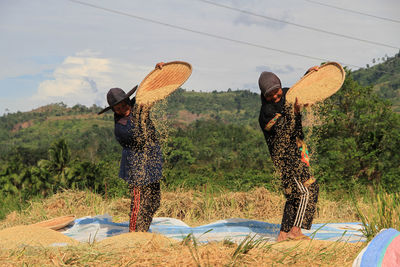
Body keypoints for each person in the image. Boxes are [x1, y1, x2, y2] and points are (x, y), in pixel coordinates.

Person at [98, 63, 164, 232]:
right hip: (135, 163)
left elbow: (151, 89)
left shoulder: (139, 105)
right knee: (139, 200)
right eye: (117, 108)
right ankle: (134, 233)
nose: (122, 109)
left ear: (128, 100)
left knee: (154, 200)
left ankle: (143, 230)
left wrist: (158, 71)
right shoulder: (119, 122)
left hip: (151, 158)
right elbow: (132, 138)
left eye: (124, 105)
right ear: (113, 110)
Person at [258, 67, 320, 242]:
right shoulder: (266, 114)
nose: (276, 97)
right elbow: (283, 132)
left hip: (298, 152)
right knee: (307, 190)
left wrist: (309, 75)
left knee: (294, 193)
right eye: (271, 96)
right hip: (285, 158)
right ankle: (295, 231)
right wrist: (295, 112)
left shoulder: (287, 94)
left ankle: (283, 234)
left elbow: (301, 90)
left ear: (280, 87)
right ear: (264, 95)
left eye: (277, 93)